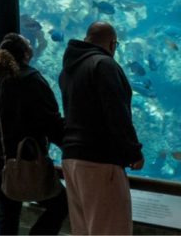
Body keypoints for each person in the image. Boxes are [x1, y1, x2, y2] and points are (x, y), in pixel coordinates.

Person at [59, 21, 144, 235]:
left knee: (84, 230)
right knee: (111, 230)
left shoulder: (68, 69)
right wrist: (133, 152)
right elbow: (117, 113)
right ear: (112, 44)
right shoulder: (104, 65)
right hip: (99, 162)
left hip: (71, 160)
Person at [0, 33, 67, 235]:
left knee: (8, 212)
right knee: (61, 204)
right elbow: (51, 121)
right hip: (23, 160)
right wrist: (69, 146)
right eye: (29, 44)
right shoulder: (31, 79)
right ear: (26, 53)